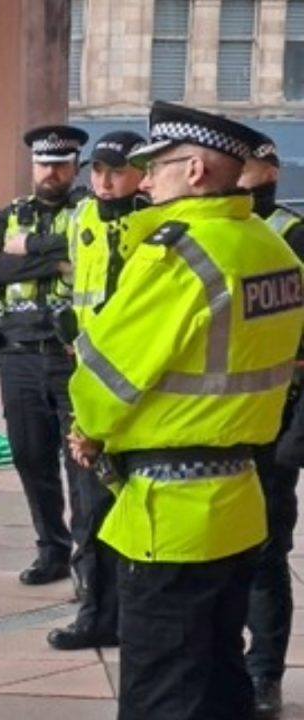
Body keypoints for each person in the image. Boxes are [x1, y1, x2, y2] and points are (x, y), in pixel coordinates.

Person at [68, 101, 304, 720]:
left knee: (161, 691)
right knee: (220, 676)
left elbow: (103, 377)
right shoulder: (272, 249)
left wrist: (89, 431)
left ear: (195, 170)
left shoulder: (179, 256)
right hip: (239, 498)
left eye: (158, 166)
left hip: (169, 514)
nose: (145, 180)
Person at [0, 124, 91, 586]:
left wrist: (30, 250)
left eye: (61, 165)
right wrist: (56, 259)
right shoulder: (9, 215)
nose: (52, 172)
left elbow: (87, 257)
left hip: (72, 357)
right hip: (19, 355)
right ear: (33, 166)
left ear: (74, 167)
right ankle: (52, 549)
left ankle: (90, 563)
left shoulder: (88, 214)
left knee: (81, 464)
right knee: (31, 457)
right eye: (45, 164)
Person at [46, 131, 146, 651]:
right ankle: (96, 612)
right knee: (88, 505)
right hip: (85, 376)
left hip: (137, 383)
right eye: (98, 171)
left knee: (131, 502)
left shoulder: (155, 224)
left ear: (142, 173)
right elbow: (69, 277)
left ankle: (134, 612)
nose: (105, 182)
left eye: (117, 171)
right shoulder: (81, 216)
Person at [236, 132, 304, 717]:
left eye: (252, 164)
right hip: (225, 425)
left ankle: (265, 674)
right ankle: (227, 665)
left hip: (277, 424)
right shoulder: (214, 236)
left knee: (266, 555)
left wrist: (295, 440)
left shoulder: (293, 234)